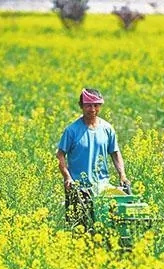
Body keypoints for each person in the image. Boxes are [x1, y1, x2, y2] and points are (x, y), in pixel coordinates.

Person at [56, 88, 130, 228]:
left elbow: (115, 152)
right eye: (88, 105)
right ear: (81, 106)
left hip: (102, 187)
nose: (93, 109)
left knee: (108, 225)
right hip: (78, 188)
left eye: (96, 105)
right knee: (80, 228)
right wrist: (67, 177)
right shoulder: (72, 130)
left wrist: (122, 175)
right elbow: (60, 155)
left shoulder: (107, 128)